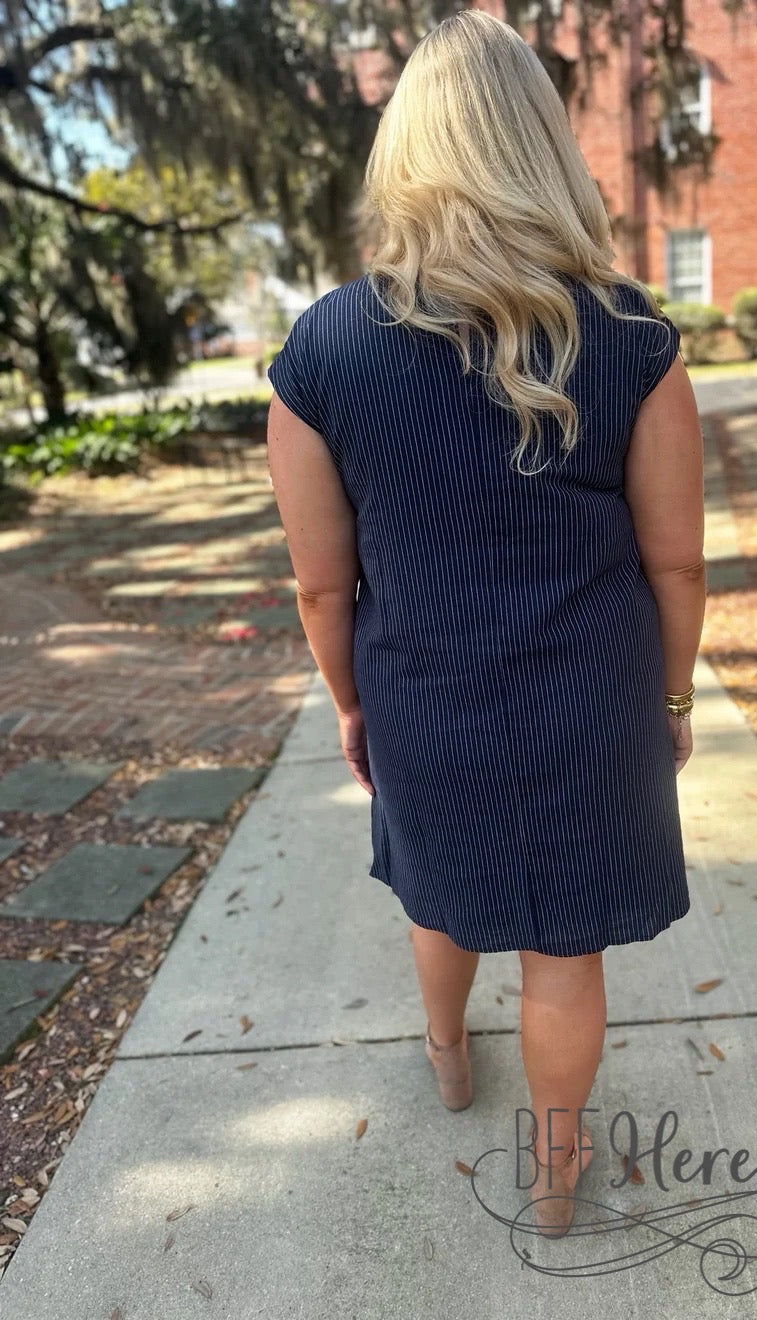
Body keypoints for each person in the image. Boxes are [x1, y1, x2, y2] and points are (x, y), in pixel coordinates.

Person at [265, 8, 706, 1238]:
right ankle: (557, 1181)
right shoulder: (634, 339)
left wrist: (353, 704)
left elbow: (317, 584)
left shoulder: (324, 350)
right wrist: (670, 706)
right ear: (546, 148)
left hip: (425, 692)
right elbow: (676, 562)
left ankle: (450, 1054)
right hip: (590, 701)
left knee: (441, 896)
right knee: (567, 951)